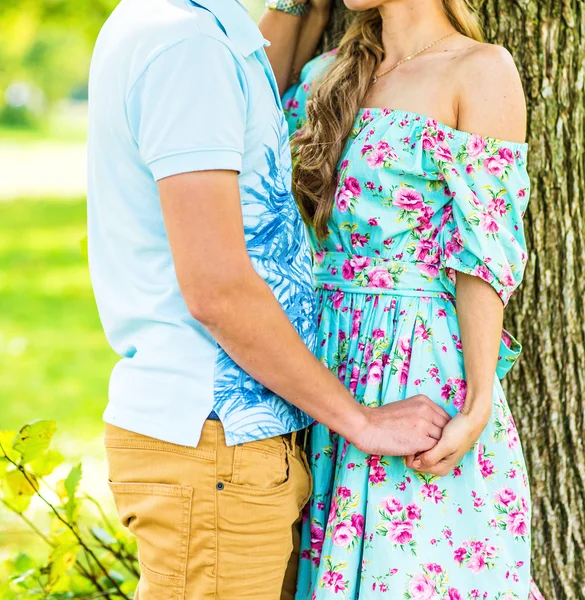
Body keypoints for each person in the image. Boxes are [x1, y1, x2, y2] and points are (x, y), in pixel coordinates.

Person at [86, 0, 451, 597]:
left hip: (232, 445)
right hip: (214, 444)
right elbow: (217, 289)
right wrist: (358, 420)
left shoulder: (195, 31)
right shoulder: (187, 47)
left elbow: (259, 101)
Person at [261, 0, 544, 598]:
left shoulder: (480, 69)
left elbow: (483, 255)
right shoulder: (326, 74)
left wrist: (478, 401)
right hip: (319, 363)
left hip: (415, 363)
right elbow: (247, 93)